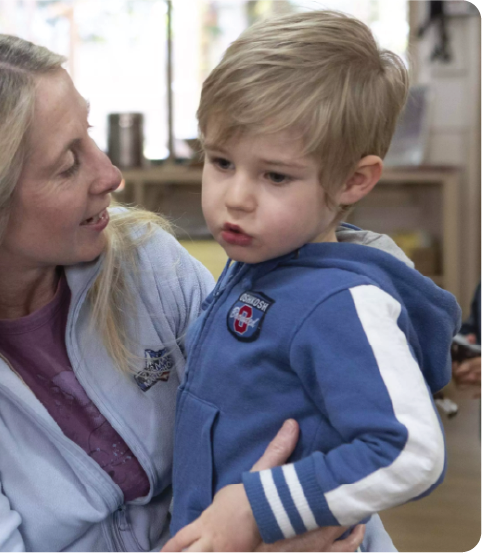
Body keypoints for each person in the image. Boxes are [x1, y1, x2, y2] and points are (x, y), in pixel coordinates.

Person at [0, 31, 404, 553]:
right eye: (68, 163)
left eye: (89, 135)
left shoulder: (147, 260)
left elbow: (301, 415)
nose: (111, 175)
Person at [163, 11, 461, 553]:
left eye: (275, 175)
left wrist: (257, 507)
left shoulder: (339, 304)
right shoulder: (263, 261)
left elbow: (410, 452)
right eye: (222, 161)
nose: (236, 197)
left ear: (353, 180)